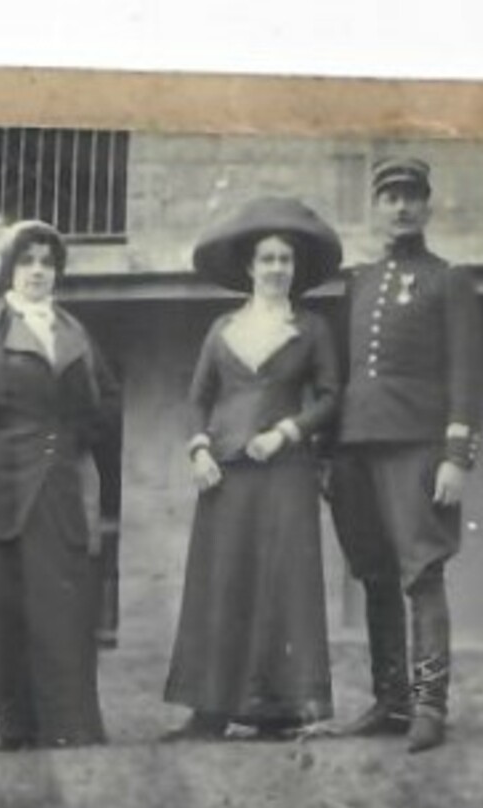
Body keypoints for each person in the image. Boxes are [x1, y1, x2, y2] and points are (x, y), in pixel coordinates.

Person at [162, 197, 344, 740]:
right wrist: (199, 450)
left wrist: (287, 432)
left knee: (282, 583)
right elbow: (197, 398)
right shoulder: (223, 328)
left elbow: (330, 397)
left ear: (295, 269)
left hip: (285, 473)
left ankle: (278, 711)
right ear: (250, 267)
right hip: (226, 474)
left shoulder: (311, 328)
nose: (276, 269)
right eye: (267, 259)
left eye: (285, 260)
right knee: (223, 582)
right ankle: (209, 709)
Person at [0, 220, 122, 749]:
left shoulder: (75, 334)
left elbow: (108, 400)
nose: (38, 271)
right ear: (9, 269)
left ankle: (64, 725)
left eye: (47, 262)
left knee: (58, 604)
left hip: (59, 483)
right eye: (27, 261)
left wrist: (80, 442)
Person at [327, 158, 483, 753]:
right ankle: (390, 701)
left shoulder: (449, 280)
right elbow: (342, 372)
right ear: (375, 208)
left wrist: (456, 455)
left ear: (427, 206)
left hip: (417, 446)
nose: (401, 207)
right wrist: (328, 453)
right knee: (374, 574)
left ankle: (429, 705)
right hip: (354, 446)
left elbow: (467, 374)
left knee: (422, 572)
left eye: (411, 196)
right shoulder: (359, 282)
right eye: (390, 197)